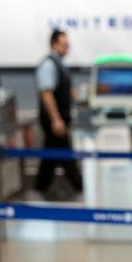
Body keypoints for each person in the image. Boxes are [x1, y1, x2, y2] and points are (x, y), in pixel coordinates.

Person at [35, 28, 82, 199]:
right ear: (54, 44)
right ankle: (80, 188)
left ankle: (39, 188)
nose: (67, 49)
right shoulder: (48, 65)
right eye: (64, 45)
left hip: (60, 118)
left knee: (50, 157)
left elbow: (66, 90)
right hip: (54, 120)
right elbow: (46, 93)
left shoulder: (59, 65)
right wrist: (56, 119)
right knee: (65, 155)